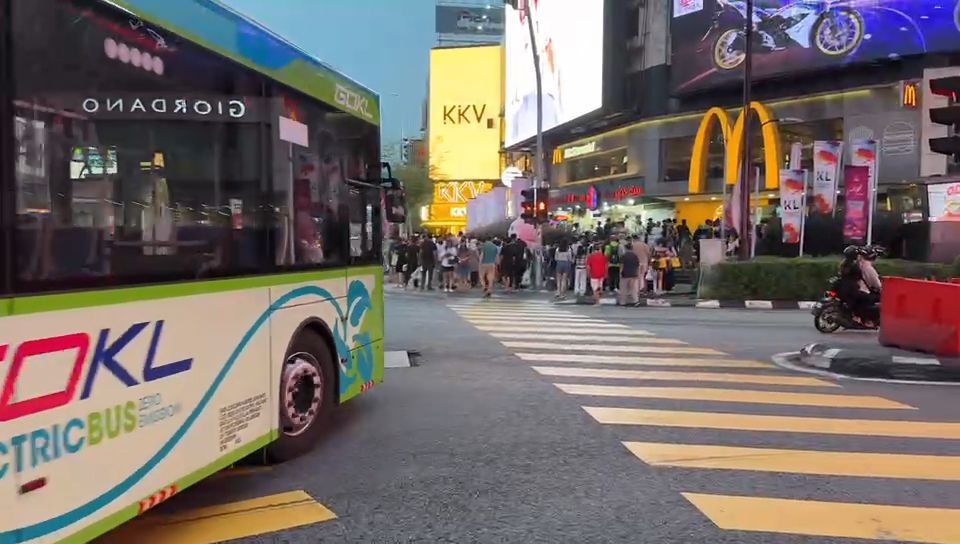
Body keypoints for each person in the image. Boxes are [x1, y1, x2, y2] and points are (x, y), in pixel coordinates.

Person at [837, 245, 881, 325]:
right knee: (873, 299)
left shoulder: (846, 264)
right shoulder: (862, 267)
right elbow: (876, 284)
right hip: (855, 289)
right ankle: (864, 318)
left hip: (847, 289)